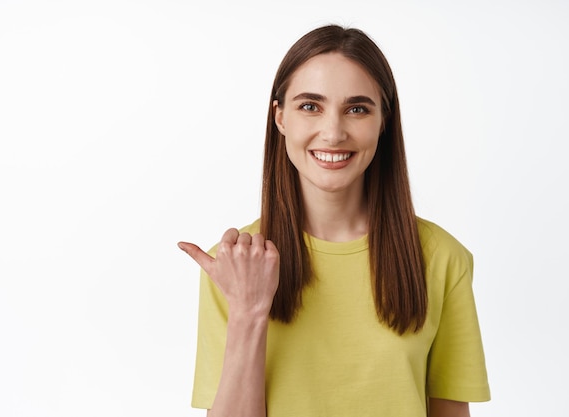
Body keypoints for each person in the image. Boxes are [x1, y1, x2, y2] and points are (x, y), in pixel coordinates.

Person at [178, 24, 490, 417]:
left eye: (357, 109)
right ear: (280, 118)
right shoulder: (236, 264)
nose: (333, 132)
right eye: (310, 106)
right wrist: (248, 311)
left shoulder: (443, 258)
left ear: (384, 121)